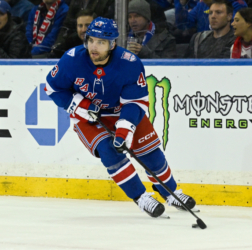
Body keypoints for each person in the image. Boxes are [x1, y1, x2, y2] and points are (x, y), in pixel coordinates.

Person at [45, 17, 197, 218]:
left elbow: (135, 102)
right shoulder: (71, 59)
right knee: (109, 151)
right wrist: (81, 106)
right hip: (89, 116)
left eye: (101, 42)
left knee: (149, 152)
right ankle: (141, 197)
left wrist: (125, 130)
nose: (94, 47)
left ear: (112, 44)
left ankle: (170, 192)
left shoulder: (130, 64)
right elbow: (53, 88)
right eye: (91, 40)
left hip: (123, 112)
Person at [175, 0, 247, 32]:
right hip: (203, 46)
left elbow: (234, 27)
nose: (213, 16)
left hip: (227, 45)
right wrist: (182, 4)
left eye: (218, 12)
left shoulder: (237, 4)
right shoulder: (202, 4)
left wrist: (211, 3)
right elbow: (184, 25)